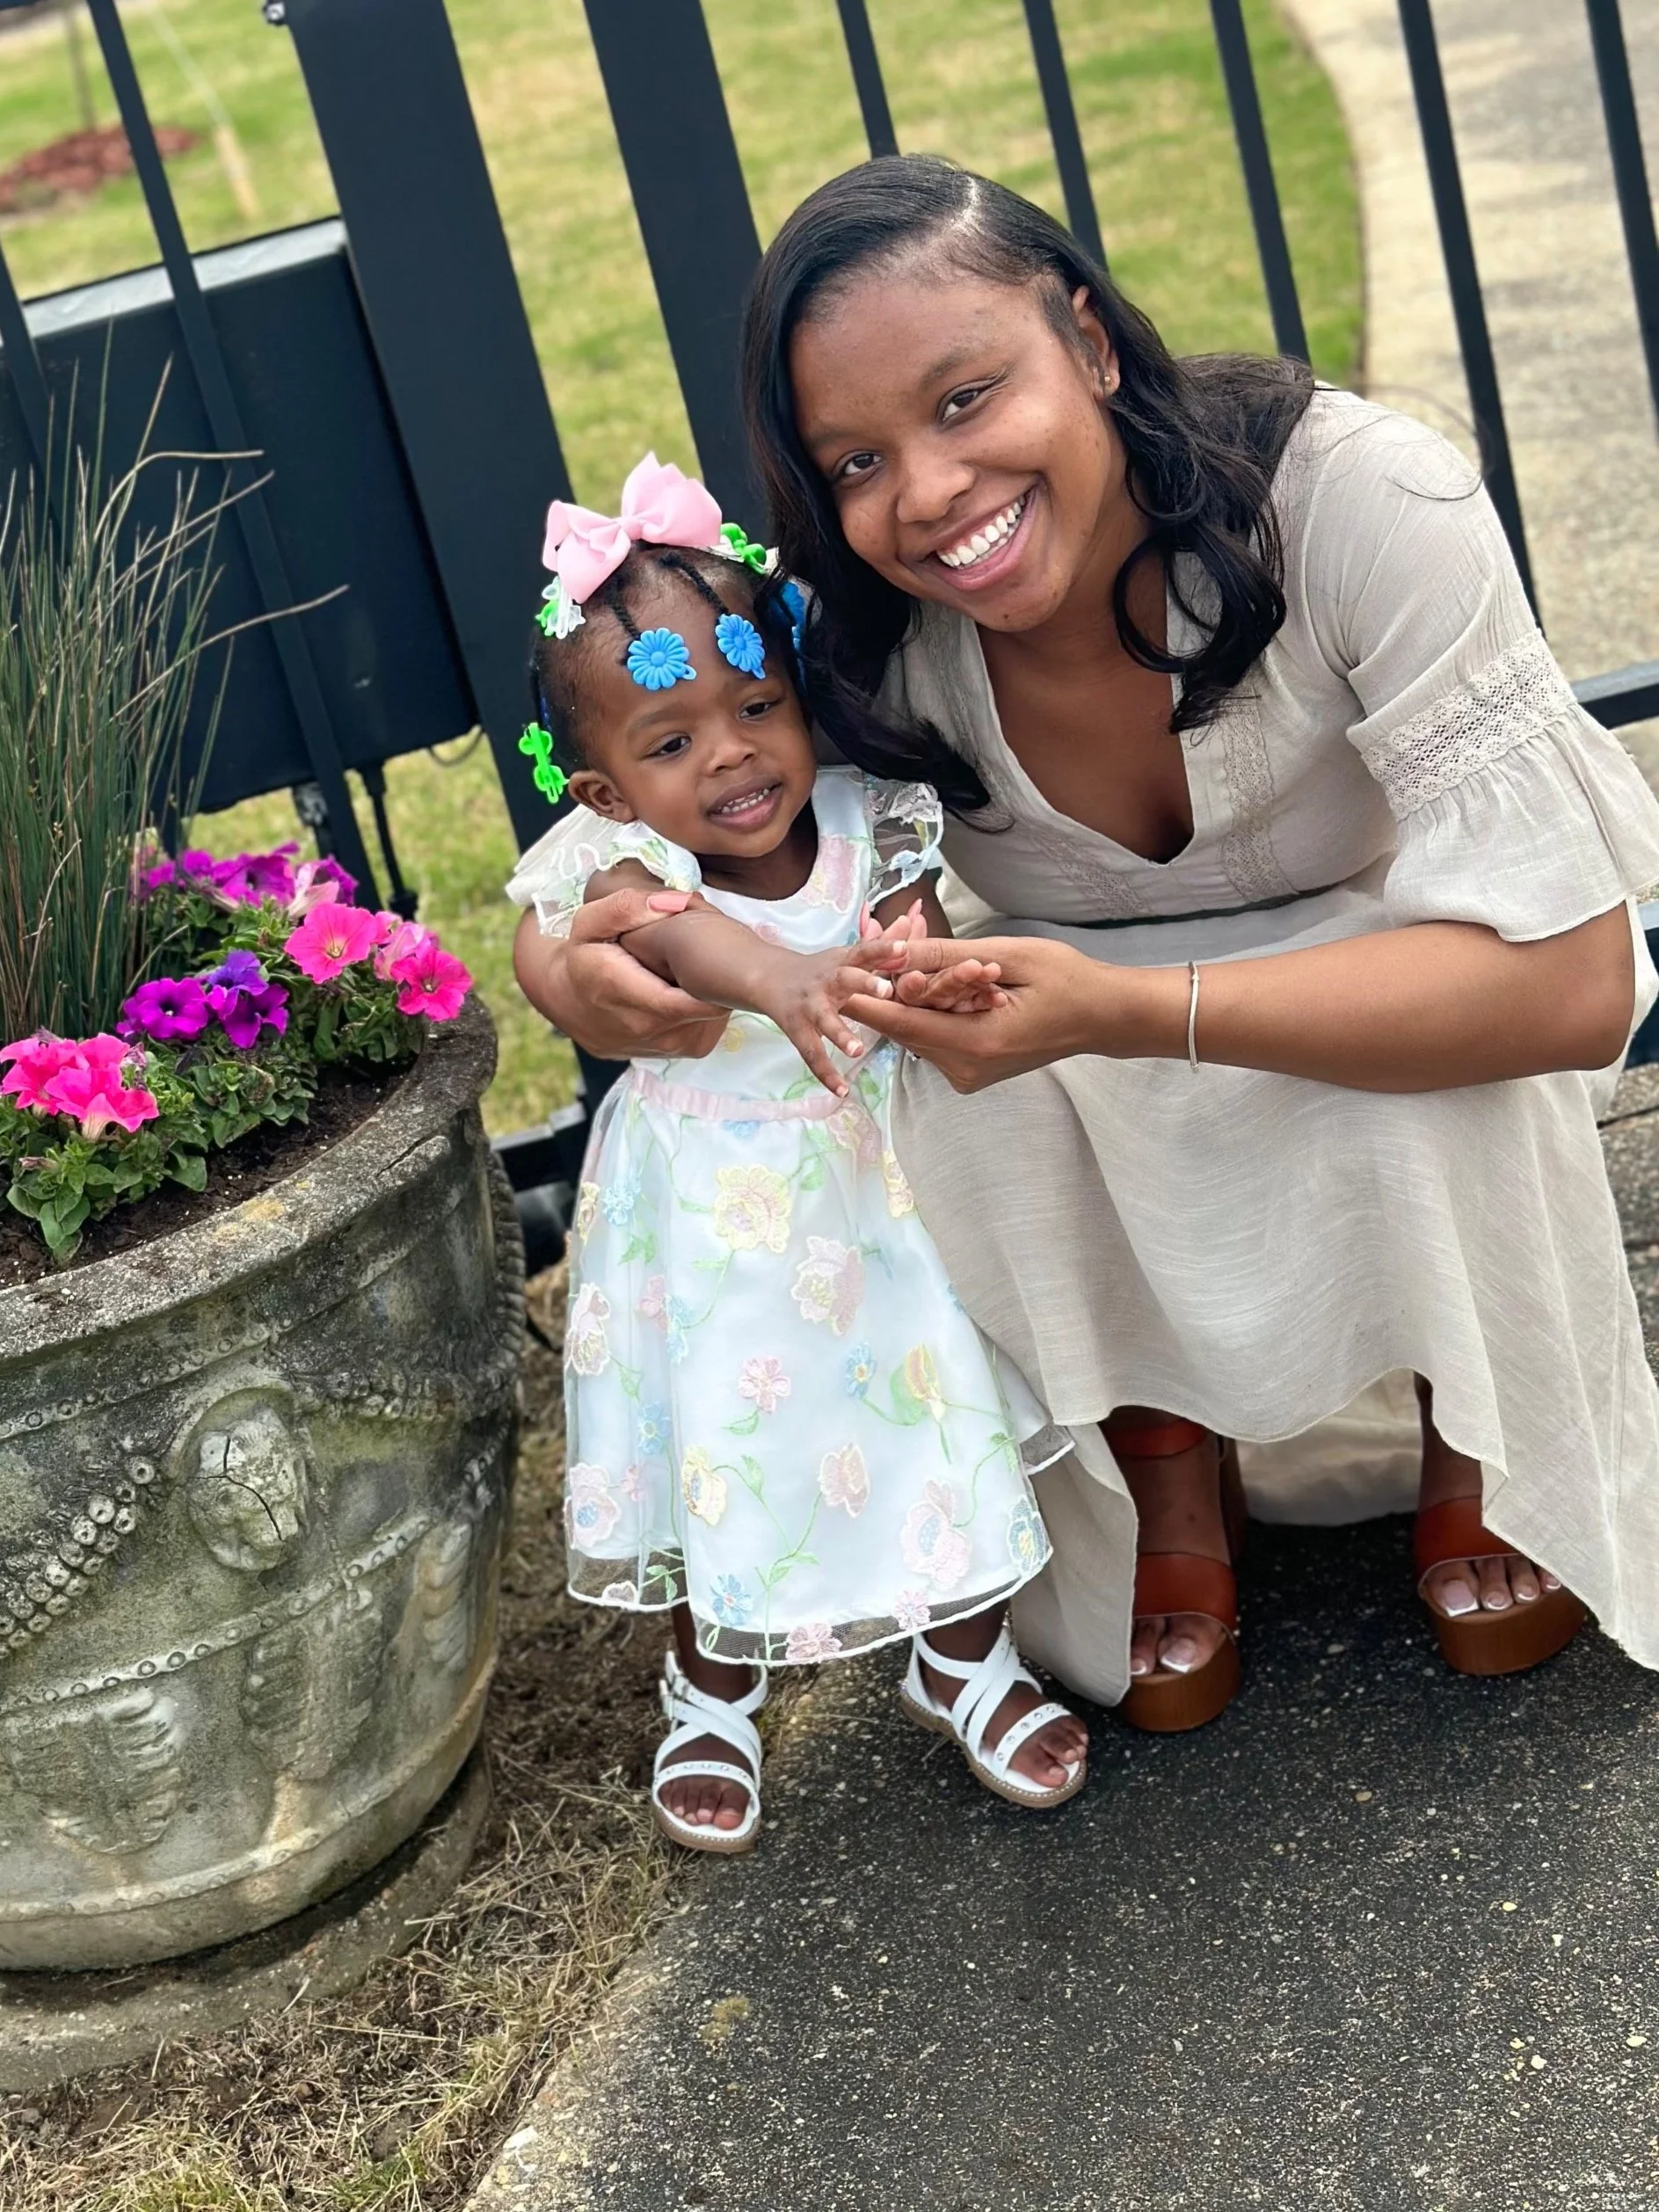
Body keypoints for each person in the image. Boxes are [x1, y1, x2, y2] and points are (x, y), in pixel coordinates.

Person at [523, 154, 1659, 1728]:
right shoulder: (858, 639)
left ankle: (1478, 1435)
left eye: (967, 396)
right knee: (951, 1093)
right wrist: (574, 962)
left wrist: (1132, 1009)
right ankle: (1167, 1478)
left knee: (1442, 1050)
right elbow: (612, 840)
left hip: (1402, 979)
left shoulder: (1359, 504)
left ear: (1092, 341)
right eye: (854, 458)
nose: (923, 494)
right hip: (1075, 1038)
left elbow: (1571, 981)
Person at [507, 455, 1088, 1852]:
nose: (730, 754)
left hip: (884, 1188)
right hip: (718, 1217)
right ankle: (715, 1674)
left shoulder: (863, 810)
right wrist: (783, 983)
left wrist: (911, 957)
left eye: (756, 705)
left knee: (937, 1404)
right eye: (671, 740)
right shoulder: (630, 868)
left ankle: (958, 1651)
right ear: (605, 786)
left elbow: (911, 921)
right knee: (732, 1433)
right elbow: (676, 942)